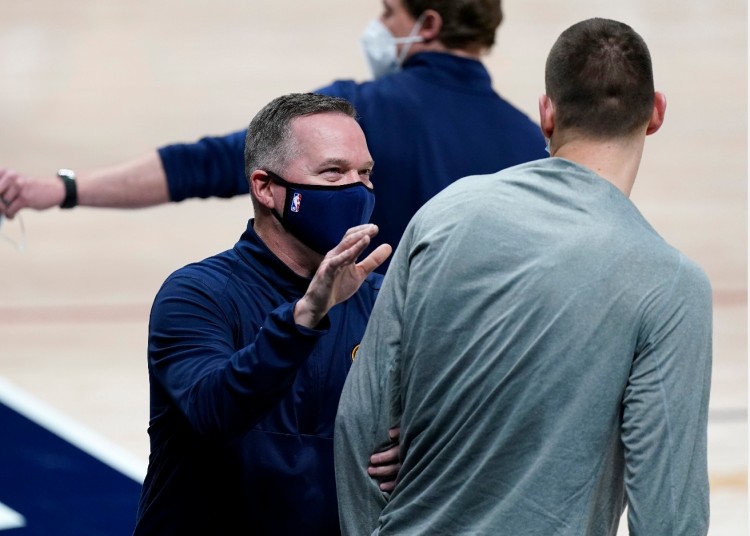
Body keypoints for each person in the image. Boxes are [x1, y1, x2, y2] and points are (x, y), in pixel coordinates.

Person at [334, 17, 712, 536]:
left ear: (547, 114)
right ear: (656, 113)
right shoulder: (670, 285)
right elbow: (668, 510)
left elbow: (361, 421)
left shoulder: (445, 214)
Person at [0, 0, 546, 272]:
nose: (379, 25)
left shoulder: (357, 113)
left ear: (427, 25)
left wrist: (65, 189)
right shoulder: (529, 143)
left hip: (364, 367)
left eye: (388, 11)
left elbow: (208, 164)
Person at [133, 92, 400, 535]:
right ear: (266, 188)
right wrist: (304, 318)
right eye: (333, 172)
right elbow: (215, 412)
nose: (357, 189)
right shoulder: (196, 295)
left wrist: (425, 447)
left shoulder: (382, 301)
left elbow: (450, 416)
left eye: (365, 173)